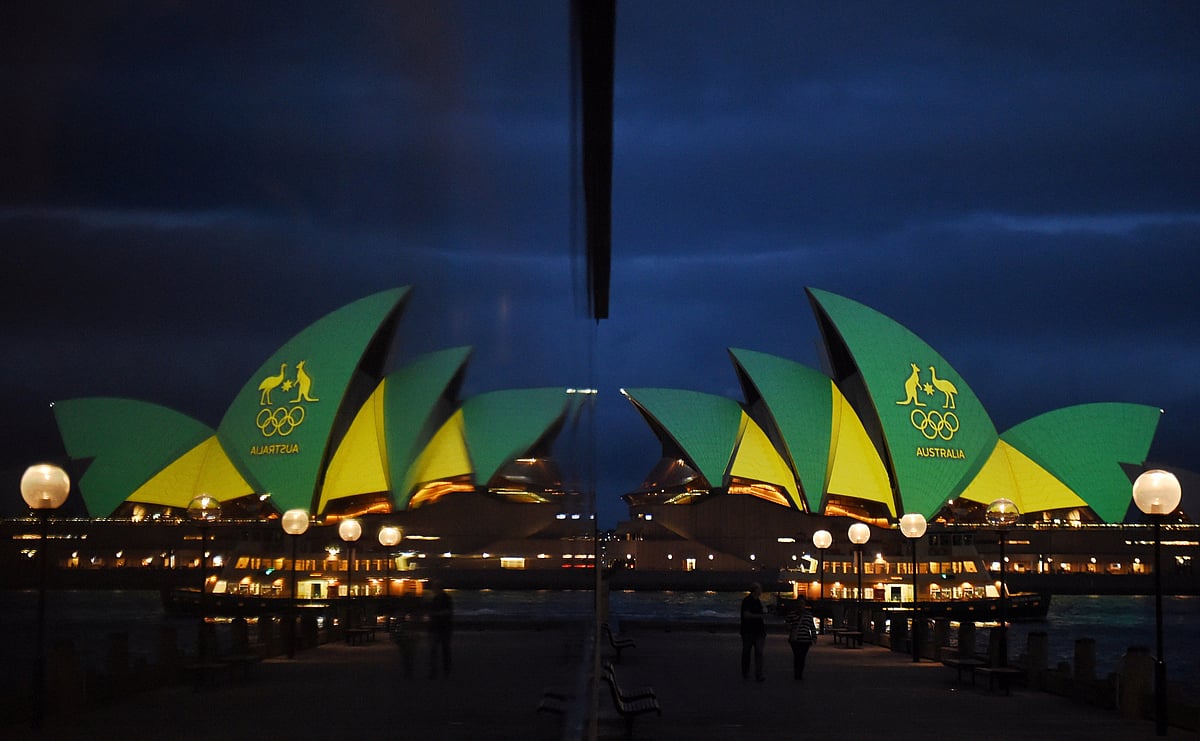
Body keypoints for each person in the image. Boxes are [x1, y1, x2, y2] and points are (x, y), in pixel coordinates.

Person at [740, 582, 767, 681]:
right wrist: (760, 616)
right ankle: (747, 672)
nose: (761, 590)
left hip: (758, 631)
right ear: (755, 590)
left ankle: (758, 674)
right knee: (748, 652)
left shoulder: (757, 601)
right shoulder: (748, 601)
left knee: (757, 652)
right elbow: (746, 615)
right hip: (749, 631)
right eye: (759, 589)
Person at [786, 600, 818, 680]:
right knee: (798, 656)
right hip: (796, 639)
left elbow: (812, 627)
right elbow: (787, 623)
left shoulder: (807, 615)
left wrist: (814, 637)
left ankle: (798, 673)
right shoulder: (793, 614)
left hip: (804, 640)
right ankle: (798, 673)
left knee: (801, 657)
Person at [428, 586, 454, 678]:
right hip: (443, 627)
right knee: (443, 650)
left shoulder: (437, 599)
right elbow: (449, 612)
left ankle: (437, 671)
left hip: (441, 627)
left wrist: (435, 614)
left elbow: (448, 612)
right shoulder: (445, 598)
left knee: (437, 650)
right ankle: (443, 671)